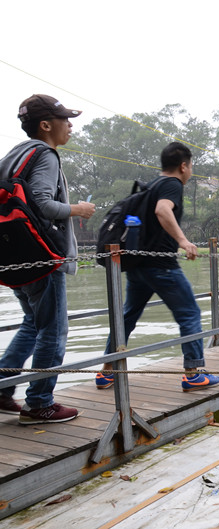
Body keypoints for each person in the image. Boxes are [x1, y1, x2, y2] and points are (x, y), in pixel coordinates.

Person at [0, 94, 95, 423]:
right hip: (42, 256)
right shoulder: (45, 154)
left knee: (31, 323)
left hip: (12, 254)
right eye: (65, 119)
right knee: (54, 331)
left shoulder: (14, 154)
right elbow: (42, 204)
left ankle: (0, 388)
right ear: (45, 125)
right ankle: (39, 403)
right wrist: (78, 209)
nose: (70, 125)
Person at [95, 142, 219, 392]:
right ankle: (194, 373)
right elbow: (163, 210)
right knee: (190, 313)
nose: (191, 171)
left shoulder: (151, 185)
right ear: (183, 166)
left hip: (138, 264)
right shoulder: (172, 184)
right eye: (191, 166)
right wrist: (182, 240)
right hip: (161, 264)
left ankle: (107, 372)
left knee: (128, 316)